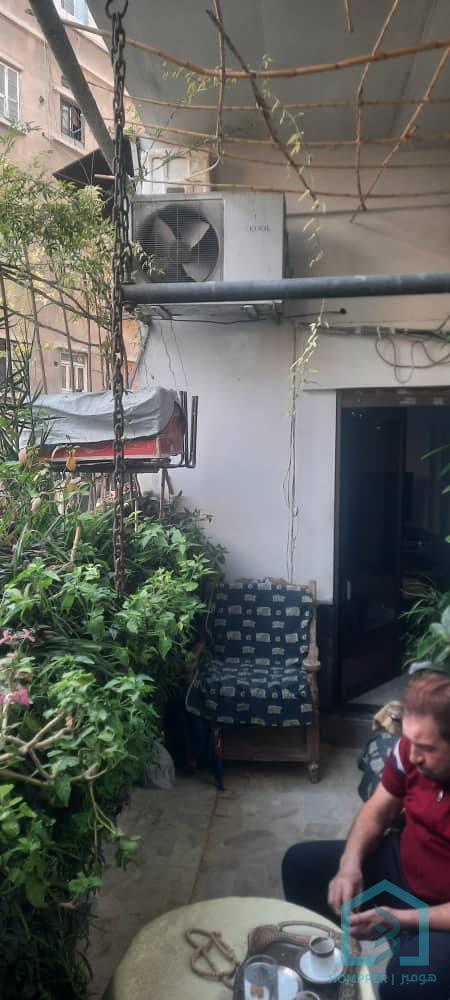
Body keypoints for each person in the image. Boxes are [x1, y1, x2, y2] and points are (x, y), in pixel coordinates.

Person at [282, 671, 450, 998]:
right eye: (410, 741)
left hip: (441, 910)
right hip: (400, 865)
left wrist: (401, 919)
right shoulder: (411, 750)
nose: (412, 756)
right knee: (300, 866)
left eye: (426, 748)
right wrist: (350, 864)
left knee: (409, 983)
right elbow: (378, 809)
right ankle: (329, 976)